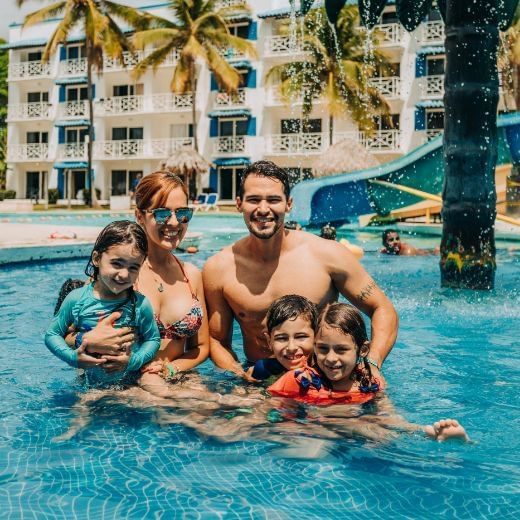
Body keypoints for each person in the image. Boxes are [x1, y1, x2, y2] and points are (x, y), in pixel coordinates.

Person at [203, 160, 398, 379]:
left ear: (288, 204)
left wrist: (372, 362)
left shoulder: (327, 255)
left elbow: (382, 308)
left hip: (325, 377)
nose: (263, 209)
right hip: (259, 381)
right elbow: (217, 341)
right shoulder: (219, 268)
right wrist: (239, 375)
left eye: (274, 200)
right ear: (239, 203)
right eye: (254, 200)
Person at [269, 303, 469, 442]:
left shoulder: (369, 382)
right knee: (367, 430)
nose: (330, 358)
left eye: (341, 350)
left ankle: (429, 432)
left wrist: (408, 429)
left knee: (383, 436)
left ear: (362, 350)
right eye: (322, 349)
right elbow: (271, 413)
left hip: (358, 435)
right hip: (313, 433)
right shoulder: (297, 380)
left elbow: (389, 415)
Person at [45, 220, 161, 386]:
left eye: (133, 268)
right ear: (96, 258)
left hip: (131, 382)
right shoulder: (76, 299)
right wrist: (73, 358)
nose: (124, 274)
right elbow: (52, 334)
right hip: (89, 387)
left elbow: (153, 340)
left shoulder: (140, 304)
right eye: (116, 263)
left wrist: (133, 361)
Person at [246, 294, 317, 382]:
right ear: (269, 341)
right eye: (281, 338)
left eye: (301, 337)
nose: (291, 348)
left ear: (317, 338)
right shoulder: (264, 370)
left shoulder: (327, 368)